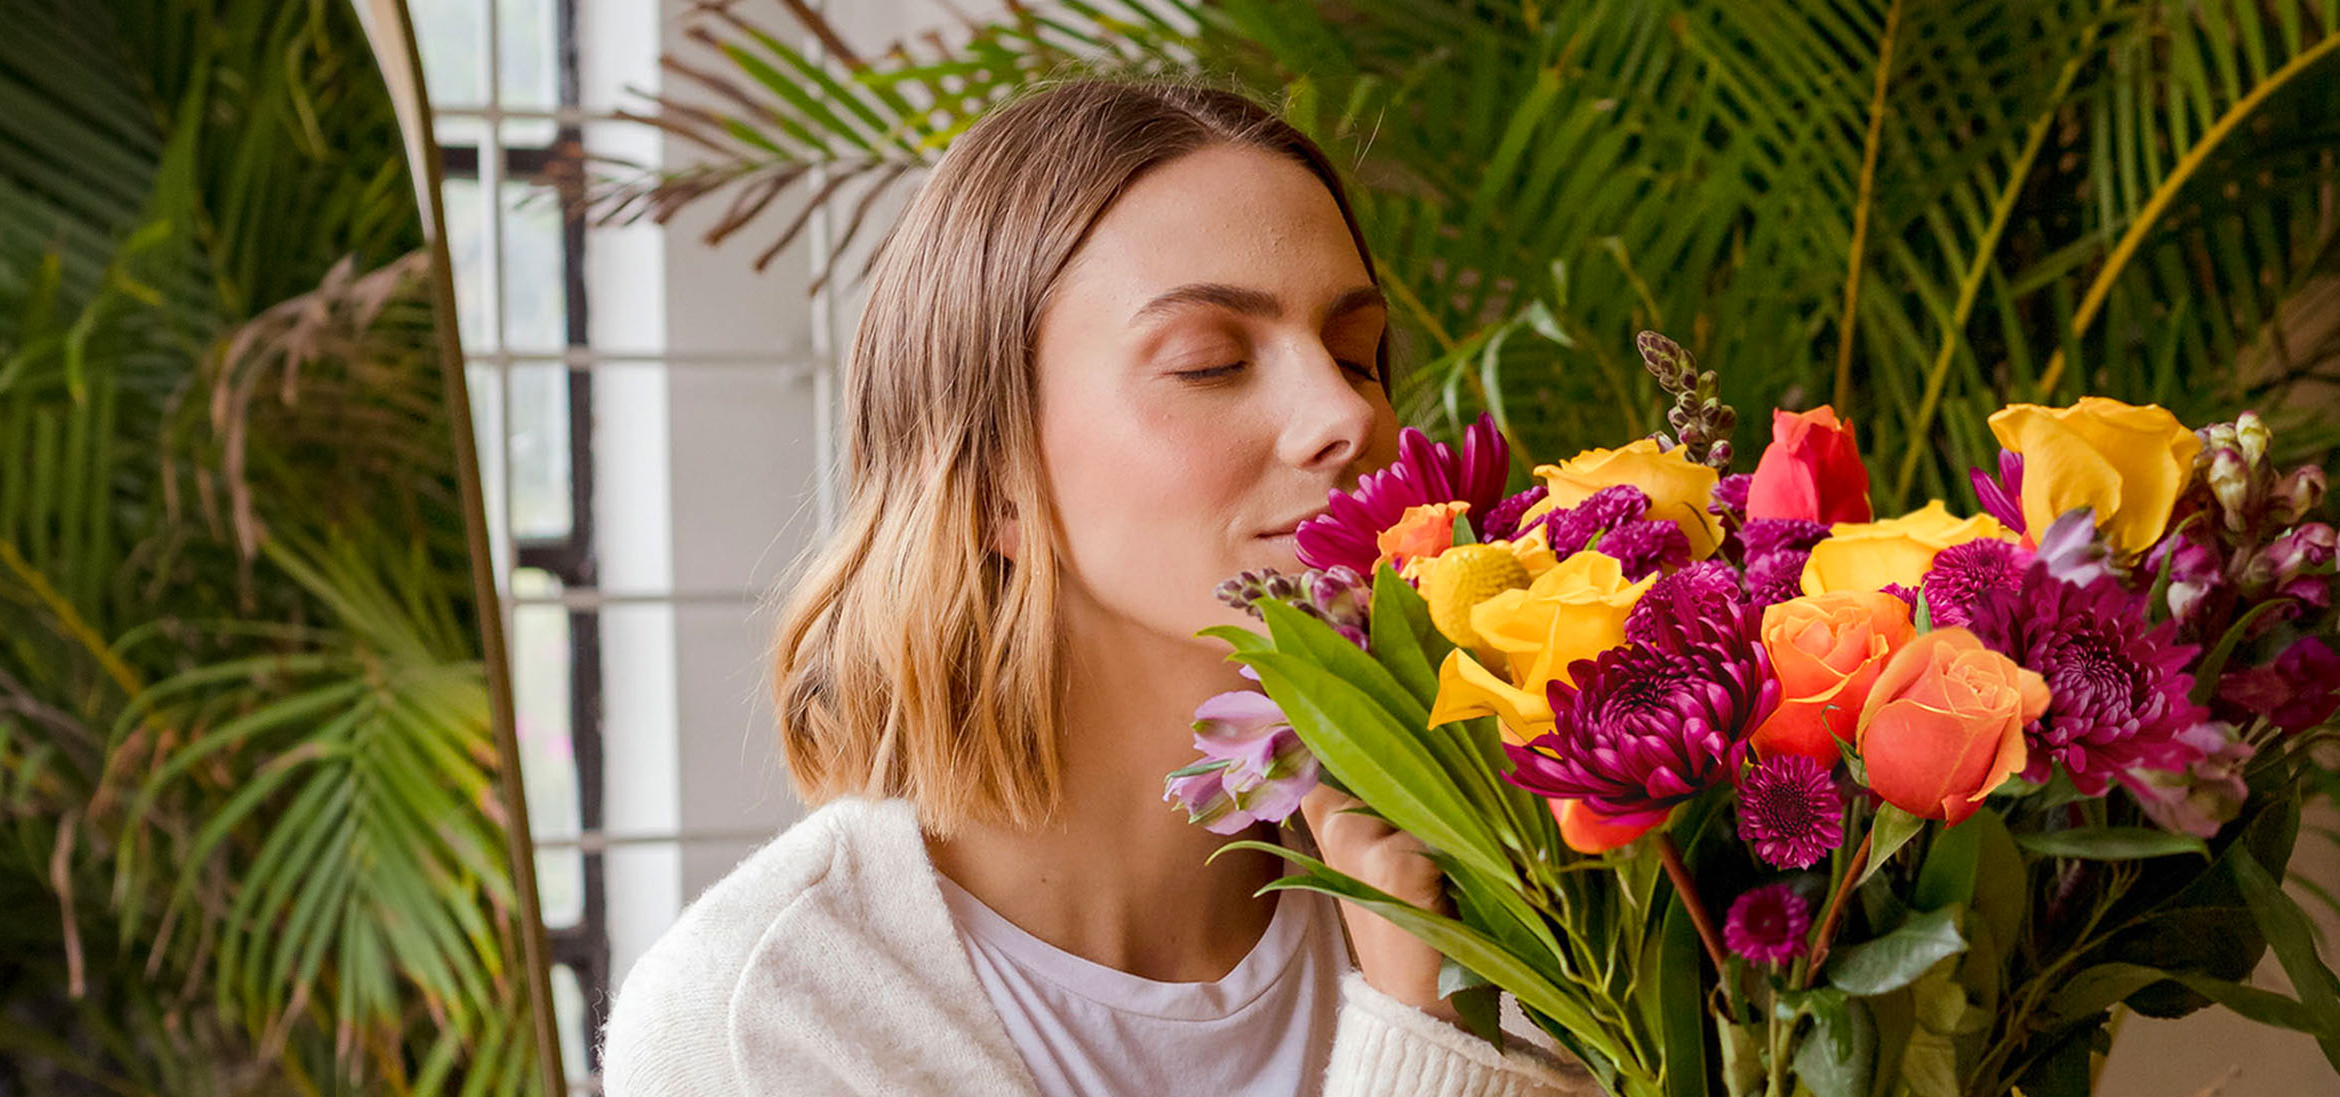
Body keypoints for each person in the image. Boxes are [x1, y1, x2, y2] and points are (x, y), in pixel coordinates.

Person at [595, 79, 1592, 1097]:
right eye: (1211, 362)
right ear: (992, 478)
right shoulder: (764, 1019)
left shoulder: (1551, 893)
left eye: (1355, 354)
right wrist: (1425, 1033)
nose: (1346, 414)